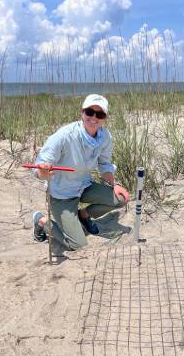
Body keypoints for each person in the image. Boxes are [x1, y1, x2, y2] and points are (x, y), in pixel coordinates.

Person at [32, 93, 129, 253]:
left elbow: (104, 165)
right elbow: (38, 167)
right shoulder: (64, 135)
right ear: (82, 112)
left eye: (100, 114)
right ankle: (41, 221)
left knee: (121, 198)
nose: (94, 117)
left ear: (105, 117)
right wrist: (44, 172)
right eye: (90, 112)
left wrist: (114, 184)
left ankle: (83, 215)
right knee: (77, 244)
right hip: (62, 195)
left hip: (84, 186)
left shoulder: (105, 137)